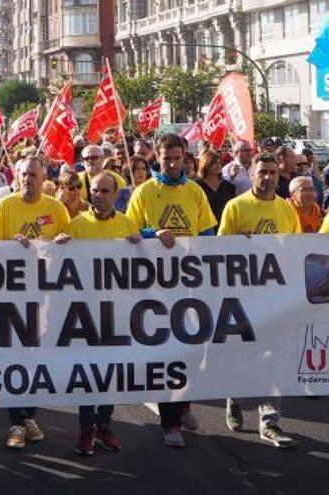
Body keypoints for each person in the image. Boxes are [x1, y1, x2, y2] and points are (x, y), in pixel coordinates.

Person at [126, 133, 217, 448]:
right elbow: (130, 231)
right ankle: (170, 423)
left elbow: (207, 231)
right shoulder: (144, 192)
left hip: (189, 282)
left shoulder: (195, 191)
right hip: (156, 286)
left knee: (193, 347)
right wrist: (154, 232)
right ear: (158, 159)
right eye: (167, 159)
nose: (173, 164)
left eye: (178, 158)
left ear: (186, 159)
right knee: (167, 351)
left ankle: (185, 403)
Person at [0, 153, 70, 449]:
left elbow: (70, 246)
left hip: (46, 301)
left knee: (37, 362)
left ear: (44, 178)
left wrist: (62, 241)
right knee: (14, 360)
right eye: (23, 175)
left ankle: (29, 415)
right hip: (13, 299)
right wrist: (11, 247)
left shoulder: (56, 208)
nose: (28, 180)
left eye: (33, 175)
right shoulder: (4, 207)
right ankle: (16, 423)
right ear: (15, 177)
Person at [55, 172, 140, 456]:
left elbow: (139, 266)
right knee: (87, 375)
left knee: (109, 375)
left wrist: (144, 242)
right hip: (85, 314)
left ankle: (104, 425)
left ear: (116, 194)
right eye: (94, 190)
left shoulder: (128, 224)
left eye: (105, 191)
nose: (99, 195)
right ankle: (85, 430)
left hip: (116, 314)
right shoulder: (76, 225)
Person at [219, 154, 300, 449]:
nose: (267, 178)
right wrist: (238, 243)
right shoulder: (235, 207)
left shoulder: (286, 210)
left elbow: (295, 250)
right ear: (251, 175)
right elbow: (219, 251)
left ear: (278, 177)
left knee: (274, 360)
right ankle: (234, 398)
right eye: (262, 172)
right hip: (242, 300)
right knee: (241, 356)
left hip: (275, 301)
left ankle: (270, 422)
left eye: (272, 173)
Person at [195, 150, 236, 222]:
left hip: (225, 227)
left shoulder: (229, 187)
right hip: (204, 227)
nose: (218, 165)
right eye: (214, 163)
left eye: (219, 163)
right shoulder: (197, 186)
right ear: (206, 165)